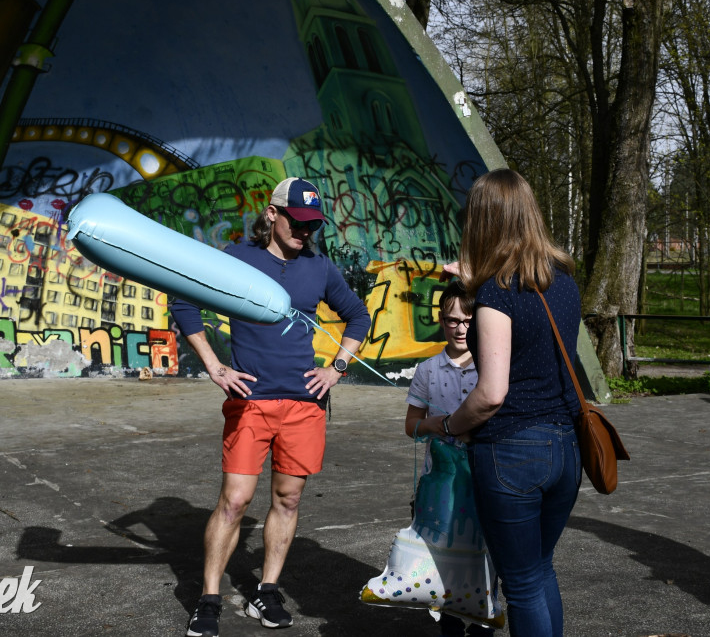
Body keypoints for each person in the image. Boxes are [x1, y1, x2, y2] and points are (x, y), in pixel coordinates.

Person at [173, 177, 371, 635]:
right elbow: (183, 299)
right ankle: (208, 598)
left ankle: (266, 591)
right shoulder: (239, 259)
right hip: (250, 402)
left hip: (304, 404)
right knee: (235, 502)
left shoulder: (319, 267)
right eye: (297, 223)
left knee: (288, 498)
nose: (305, 233)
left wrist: (336, 368)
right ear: (272, 214)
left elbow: (357, 315)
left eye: (312, 226)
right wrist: (214, 365)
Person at [417, 169, 582, 636]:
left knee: (523, 582)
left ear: (481, 223)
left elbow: (492, 393)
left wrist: (449, 426)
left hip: (512, 451)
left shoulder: (496, 294)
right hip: (566, 447)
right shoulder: (562, 281)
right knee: (540, 570)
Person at [404, 280, 494, 637]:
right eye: (453, 320)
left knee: (485, 552)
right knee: (443, 551)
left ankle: (484, 619)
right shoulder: (427, 370)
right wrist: (435, 424)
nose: (461, 329)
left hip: (484, 477)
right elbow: (410, 426)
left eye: (469, 321)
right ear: (441, 321)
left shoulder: (492, 367)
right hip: (441, 482)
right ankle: (451, 623)